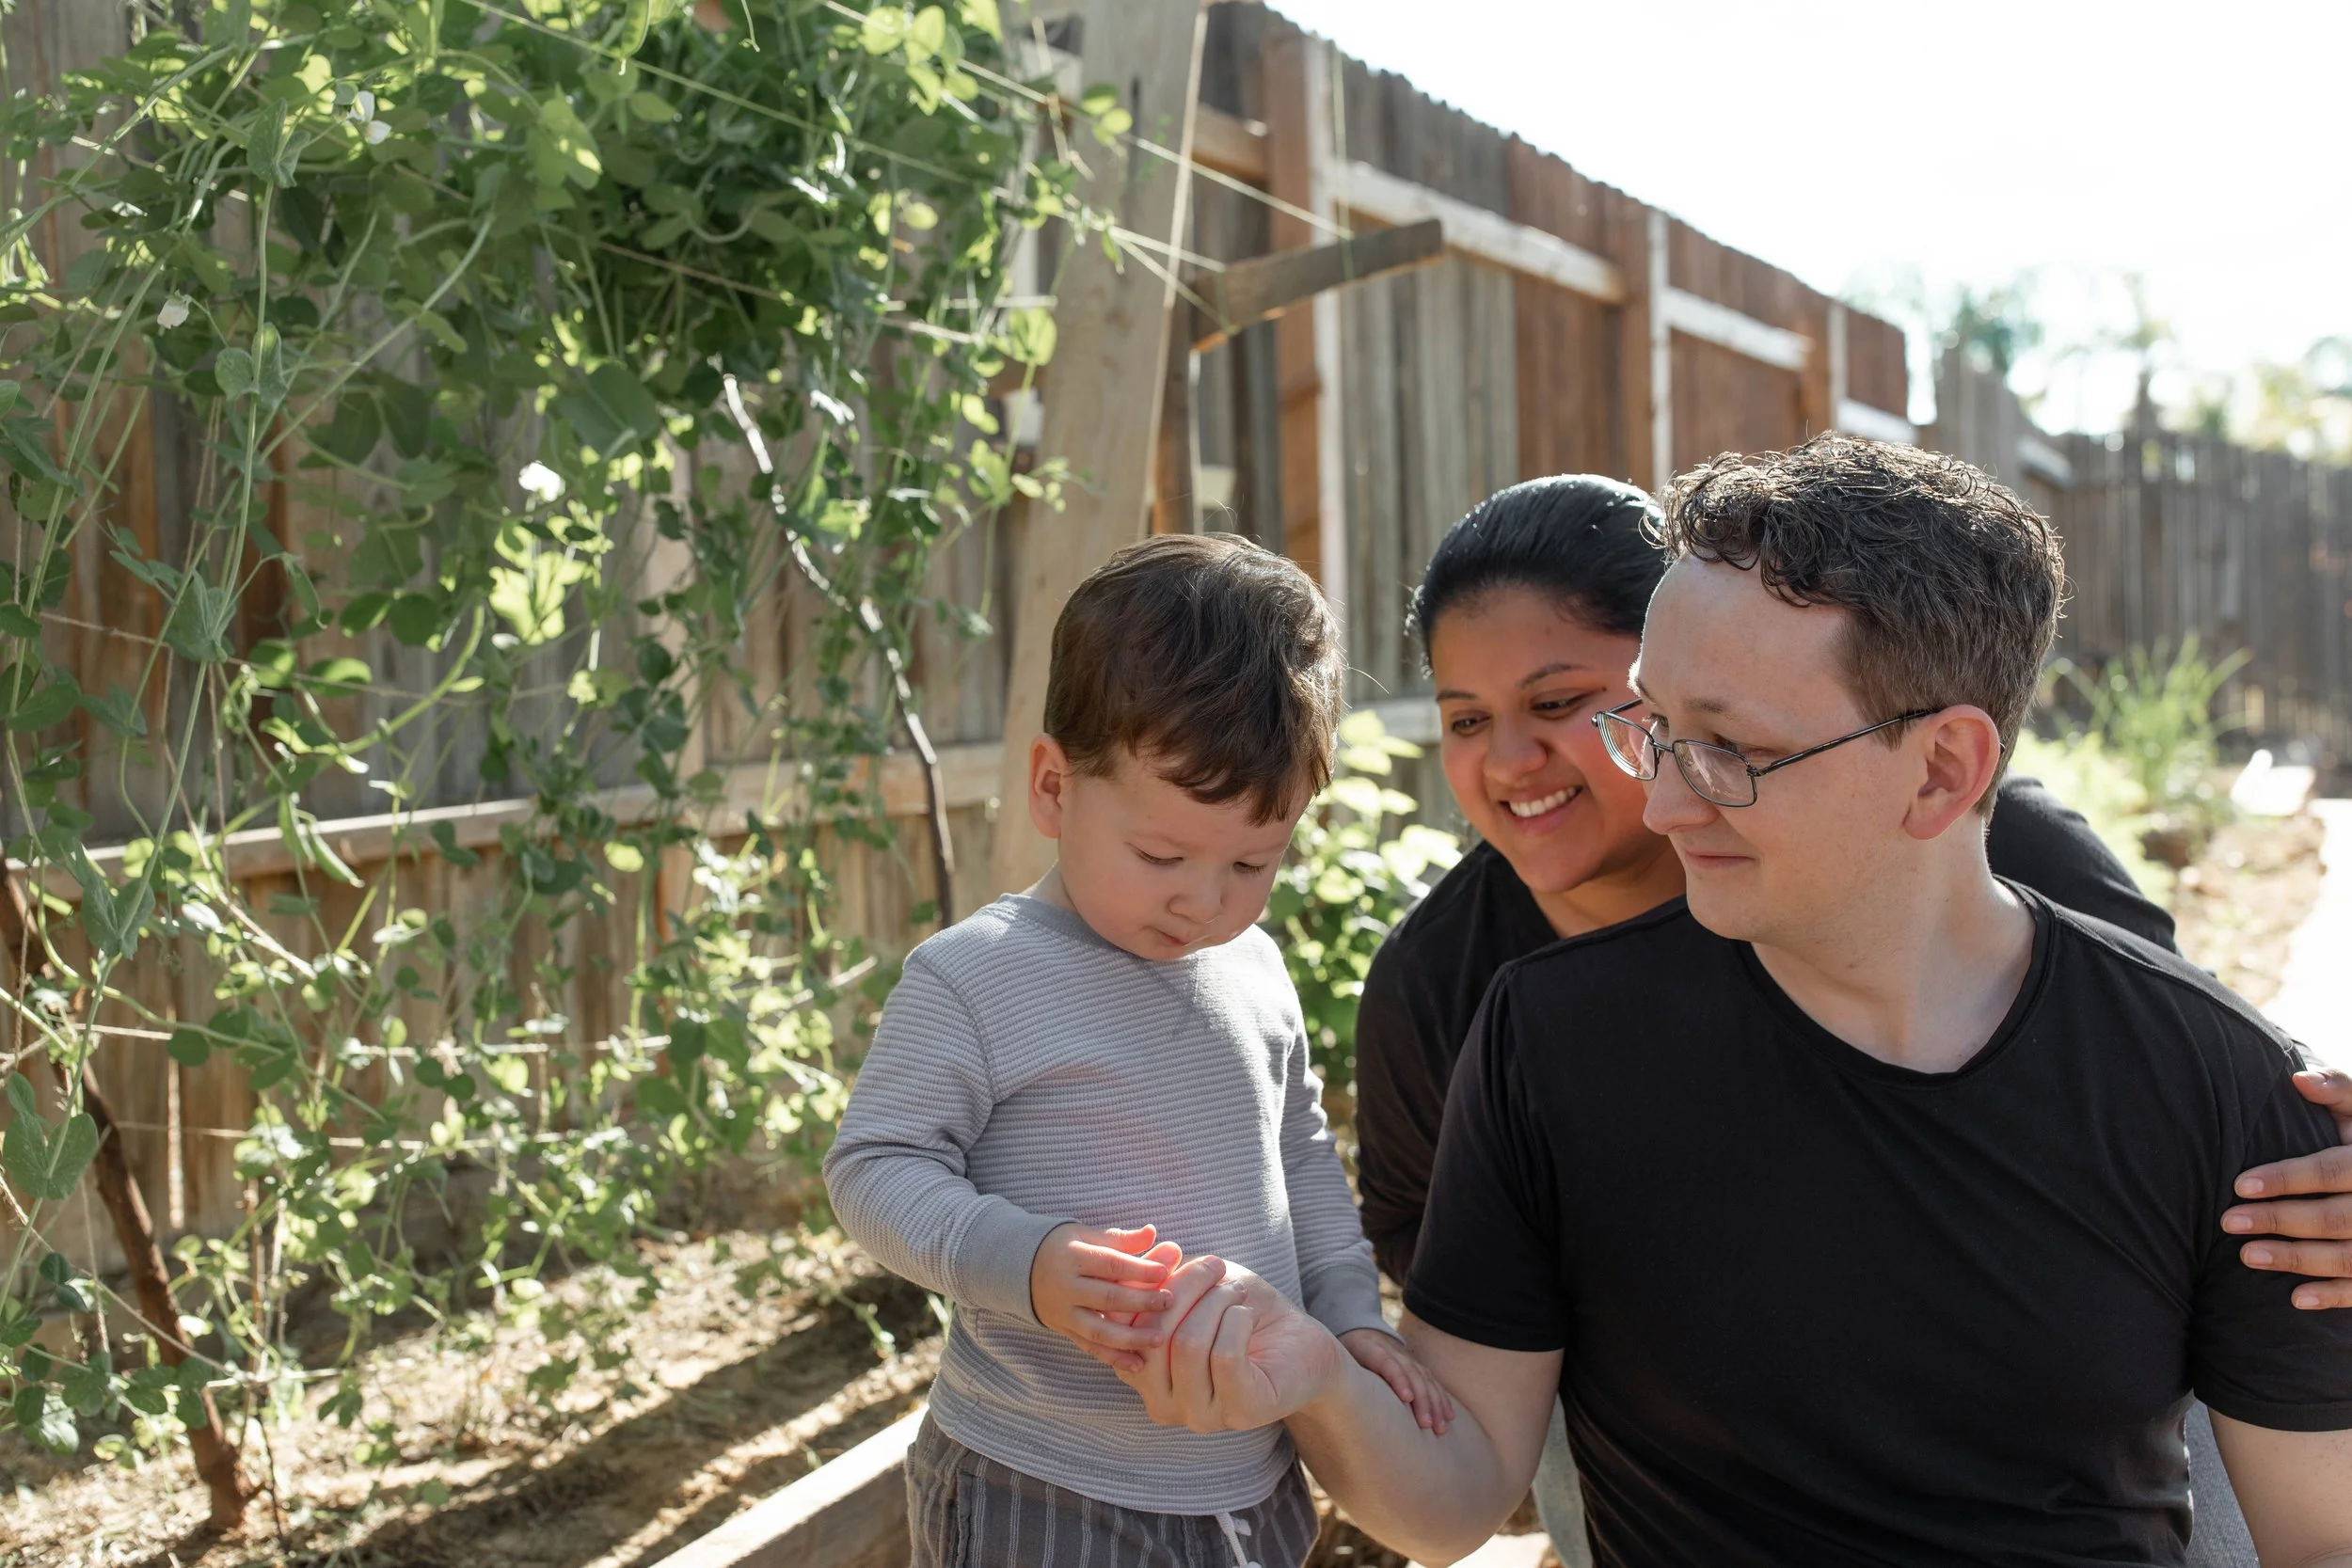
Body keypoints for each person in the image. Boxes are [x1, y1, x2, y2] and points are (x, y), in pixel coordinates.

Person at [1118, 439, 2352, 1568]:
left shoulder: (2218, 1087)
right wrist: (1315, 1378)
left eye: (1728, 751)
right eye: (1654, 727)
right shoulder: (1538, 1033)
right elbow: (1453, 1495)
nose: (1659, 801)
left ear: (1944, 769)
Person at [823, 534, 1448, 1568]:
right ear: (1053, 787)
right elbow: (873, 1168)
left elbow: (1300, 1158)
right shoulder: (976, 974)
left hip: (1251, 1478)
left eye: (1255, 859)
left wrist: (1348, 1318)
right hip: (1044, 1484)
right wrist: (1024, 1263)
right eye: (1161, 853)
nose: (1205, 900)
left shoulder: (1252, 967)